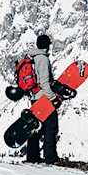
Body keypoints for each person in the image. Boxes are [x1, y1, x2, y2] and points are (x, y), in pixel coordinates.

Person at [23, 34, 61, 164]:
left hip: (34, 97)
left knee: (36, 127)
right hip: (43, 98)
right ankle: (50, 158)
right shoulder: (42, 59)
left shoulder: (32, 57)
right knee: (51, 127)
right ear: (46, 46)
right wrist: (53, 98)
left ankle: (32, 156)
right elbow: (44, 82)